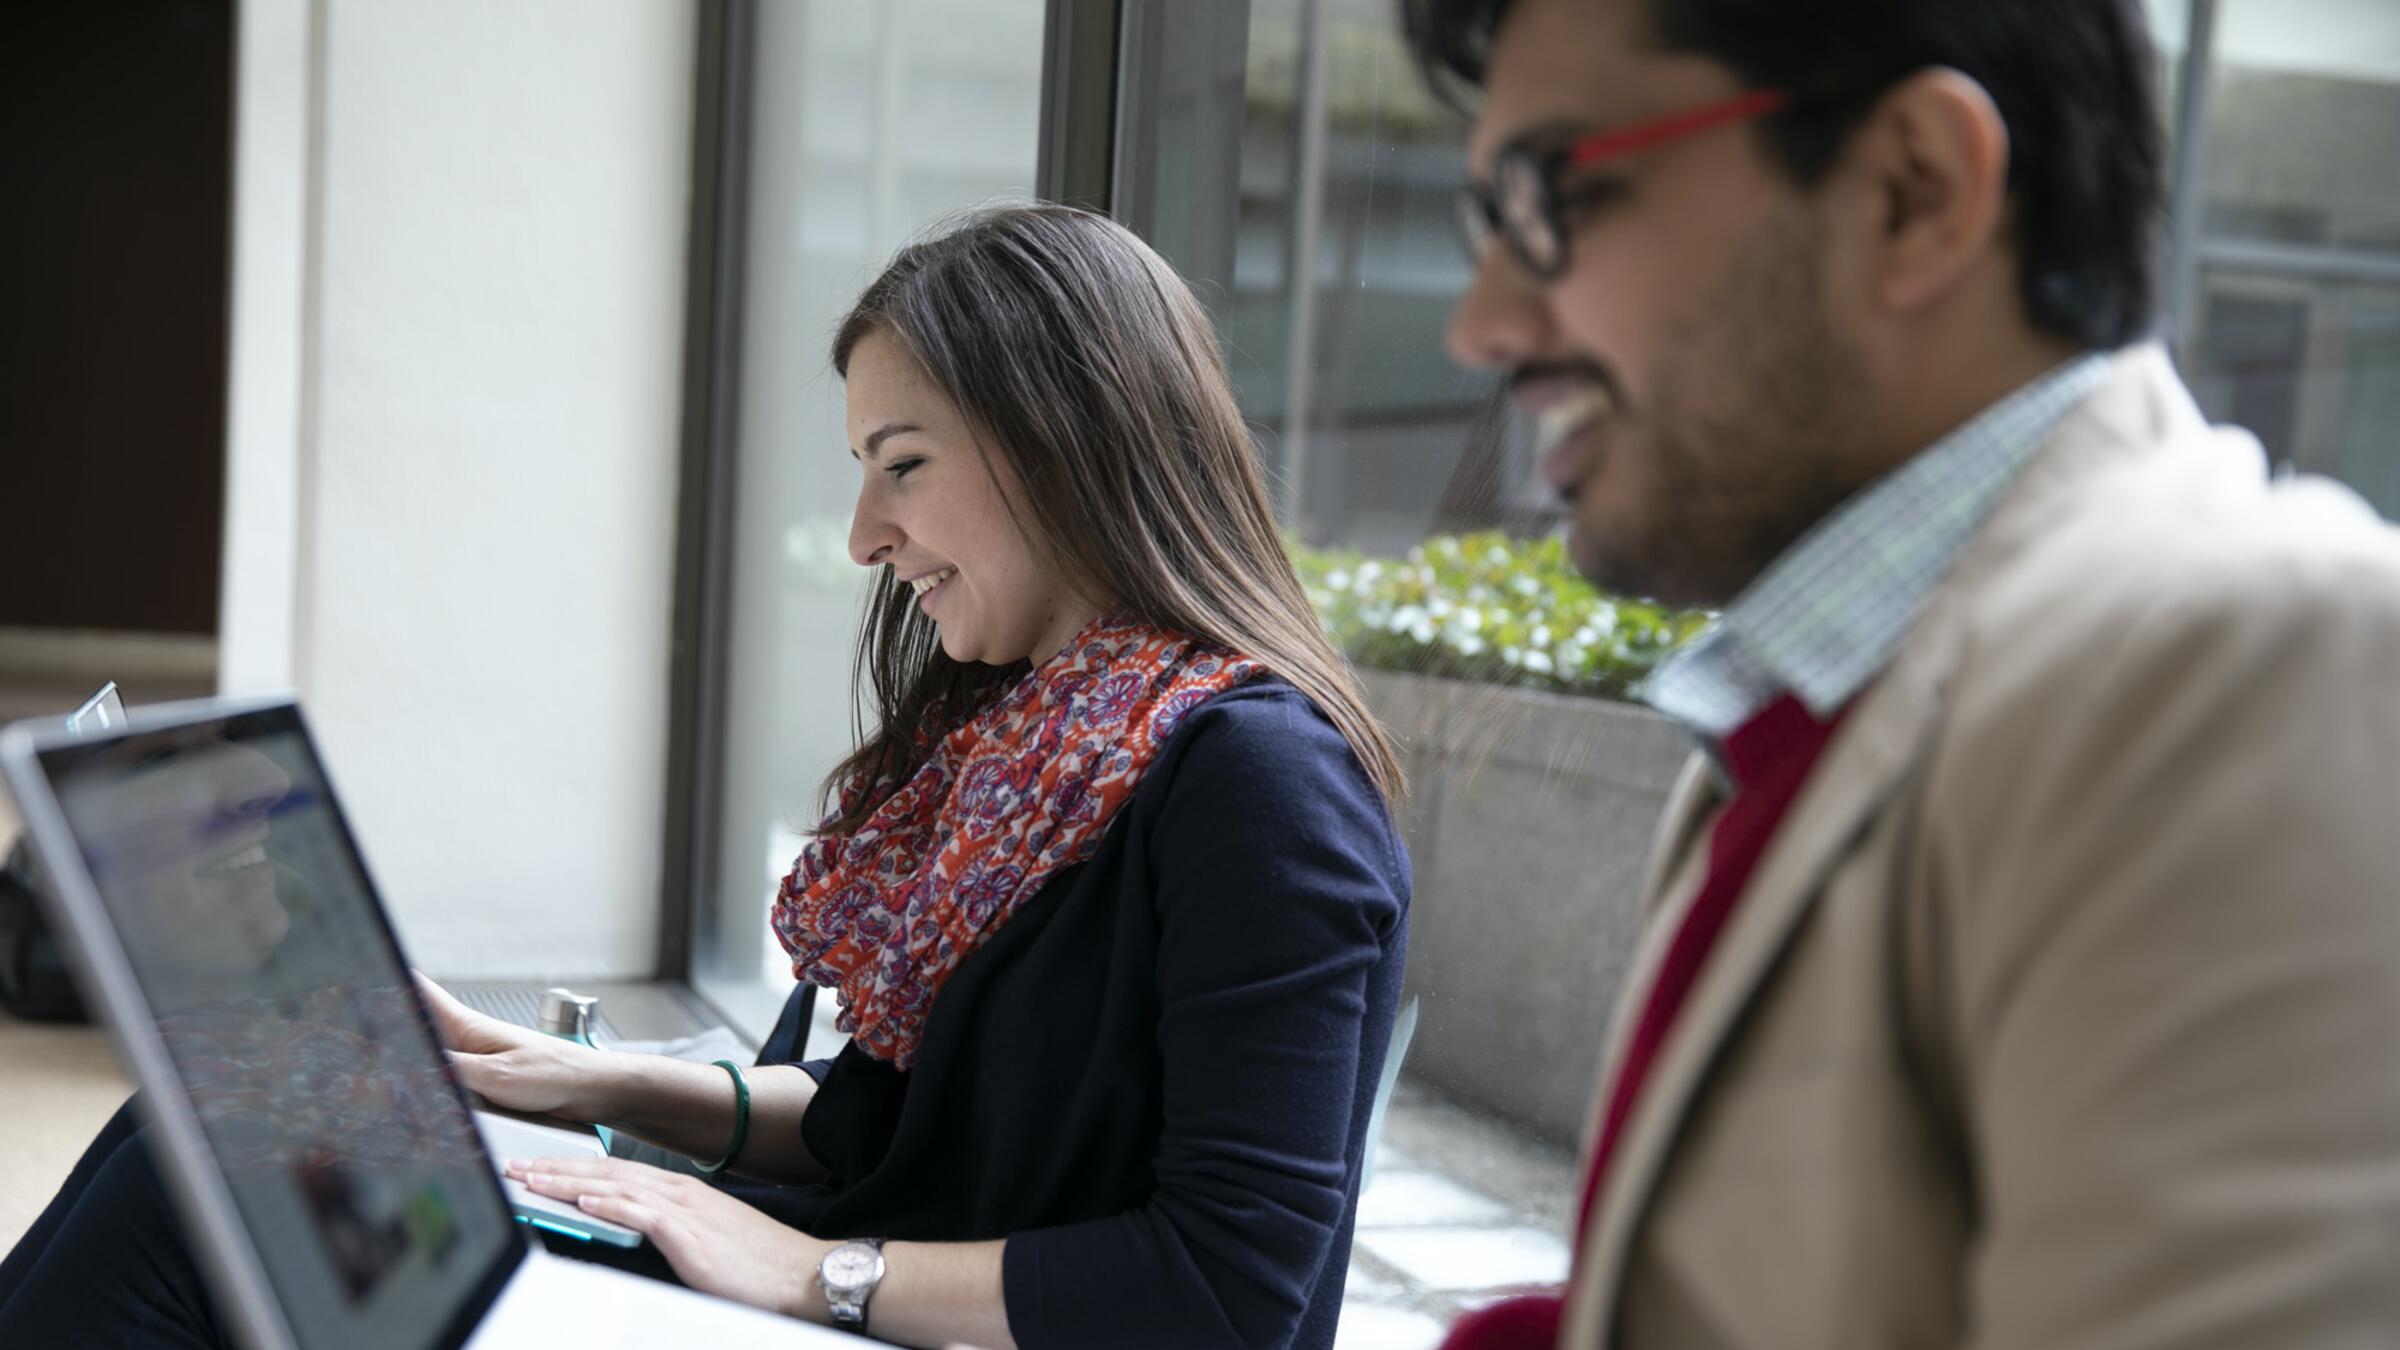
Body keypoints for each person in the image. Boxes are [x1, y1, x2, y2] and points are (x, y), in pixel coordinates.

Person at [0, 203, 1413, 1350]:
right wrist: (578, 1082)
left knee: (202, 1193)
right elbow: (888, 1120)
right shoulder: (1040, 751)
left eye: (901, 465)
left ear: (1065, 444)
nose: (865, 534)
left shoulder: (1260, 784)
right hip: (847, 1294)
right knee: (217, 1116)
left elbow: (1226, 1292)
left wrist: (813, 1274)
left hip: (880, 1318)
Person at [1401, 0, 2400, 1346]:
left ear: (1915, 187)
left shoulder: (2248, 654)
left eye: (1550, 194)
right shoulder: (1808, 701)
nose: (1485, 321)